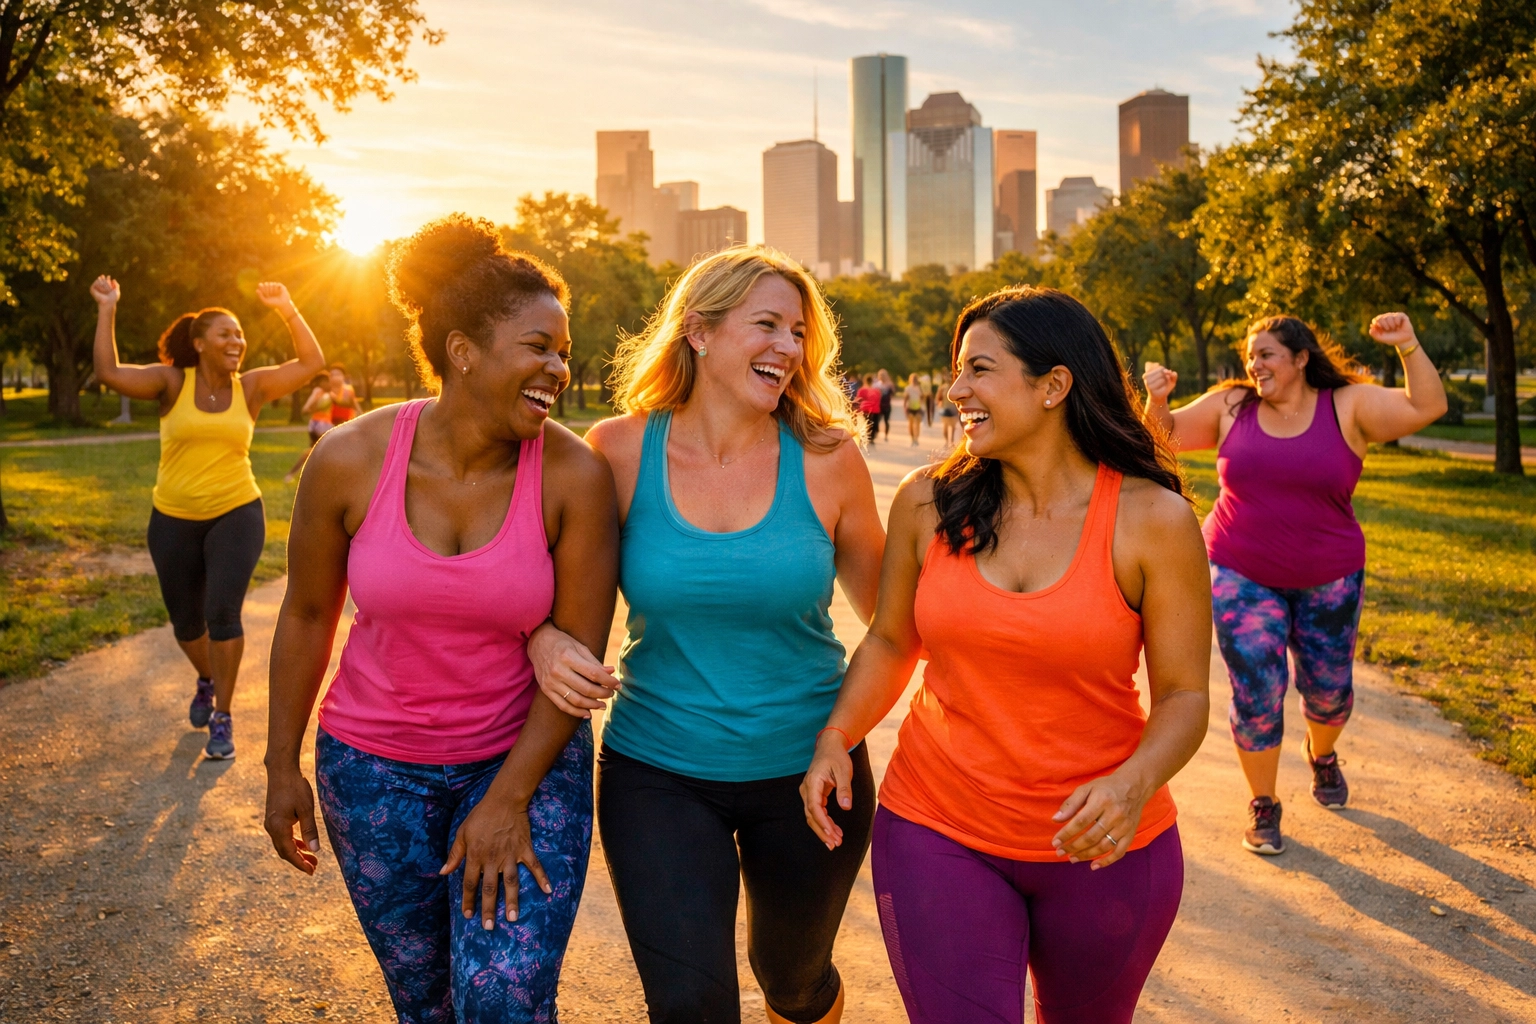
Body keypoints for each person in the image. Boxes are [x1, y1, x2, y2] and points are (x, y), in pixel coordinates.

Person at [802, 287, 1212, 1024]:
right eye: (956, 372)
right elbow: (893, 639)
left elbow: (1184, 695)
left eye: (979, 370)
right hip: (938, 827)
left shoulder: (1153, 520)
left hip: (1106, 846)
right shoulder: (926, 502)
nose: (956, 391)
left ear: (1054, 386)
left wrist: (1133, 783)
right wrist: (838, 734)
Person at [263, 215, 619, 1022]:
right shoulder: (349, 458)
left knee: (503, 1001)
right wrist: (281, 762)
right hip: (373, 770)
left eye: (564, 350)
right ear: (463, 350)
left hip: (524, 760)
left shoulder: (573, 476)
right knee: (425, 1004)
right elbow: (308, 612)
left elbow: (580, 658)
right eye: (539, 347)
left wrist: (508, 798)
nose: (558, 368)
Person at [527, 246, 885, 1024]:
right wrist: (543, 640)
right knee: (691, 1005)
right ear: (698, 330)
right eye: (767, 325)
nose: (789, 348)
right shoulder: (617, 452)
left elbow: (897, 621)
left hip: (809, 776)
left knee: (791, 982)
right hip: (657, 771)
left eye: (799, 331)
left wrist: (842, 733)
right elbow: (537, 589)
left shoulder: (828, 460)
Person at [1143, 312, 1446, 855]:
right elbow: (1159, 440)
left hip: (1329, 575)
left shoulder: (1347, 406)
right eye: (1250, 356)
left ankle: (1322, 753)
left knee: (1329, 694)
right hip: (1240, 571)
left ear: (1301, 358)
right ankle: (1264, 803)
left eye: (1266, 355)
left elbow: (1428, 406)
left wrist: (1407, 344)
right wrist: (1159, 399)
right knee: (1257, 689)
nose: (1254, 366)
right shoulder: (1234, 406)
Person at [90, 274, 324, 760]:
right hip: (172, 516)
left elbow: (311, 363)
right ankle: (206, 677)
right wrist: (108, 306)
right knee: (186, 624)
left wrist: (286, 307)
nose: (236, 341)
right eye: (225, 334)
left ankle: (223, 714)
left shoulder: (252, 387)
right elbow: (109, 371)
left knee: (222, 614)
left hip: (237, 511)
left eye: (240, 334)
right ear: (198, 344)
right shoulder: (171, 382)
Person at [856, 373, 883, 446]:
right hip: (874, 409)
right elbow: (878, 401)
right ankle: (871, 438)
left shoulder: (861, 390)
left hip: (865, 408)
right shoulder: (876, 391)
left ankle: (864, 437)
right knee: (873, 424)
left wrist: (857, 410)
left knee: (865, 423)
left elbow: (858, 400)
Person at [938, 370, 959, 445]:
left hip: (953, 409)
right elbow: (939, 398)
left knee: (953, 427)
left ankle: (952, 441)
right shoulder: (943, 387)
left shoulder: (956, 387)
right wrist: (940, 405)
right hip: (945, 409)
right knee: (945, 427)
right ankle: (947, 441)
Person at [903, 373, 925, 446]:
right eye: (912, 379)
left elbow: (923, 398)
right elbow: (905, 399)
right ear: (910, 380)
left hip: (918, 408)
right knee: (911, 424)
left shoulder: (920, 388)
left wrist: (922, 406)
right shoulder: (908, 388)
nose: (914, 380)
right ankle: (912, 439)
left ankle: (916, 439)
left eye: (915, 379)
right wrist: (904, 407)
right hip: (910, 408)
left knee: (917, 424)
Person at [876, 368, 895, 440]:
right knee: (877, 420)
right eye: (880, 375)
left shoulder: (889, 384)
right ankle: (876, 432)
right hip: (879, 405)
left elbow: (893, 393)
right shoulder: (877, 384)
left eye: (883, 375)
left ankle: (886, 435)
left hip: (887, 405)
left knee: (886, 421)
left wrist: (891, 388)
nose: (882, 376)